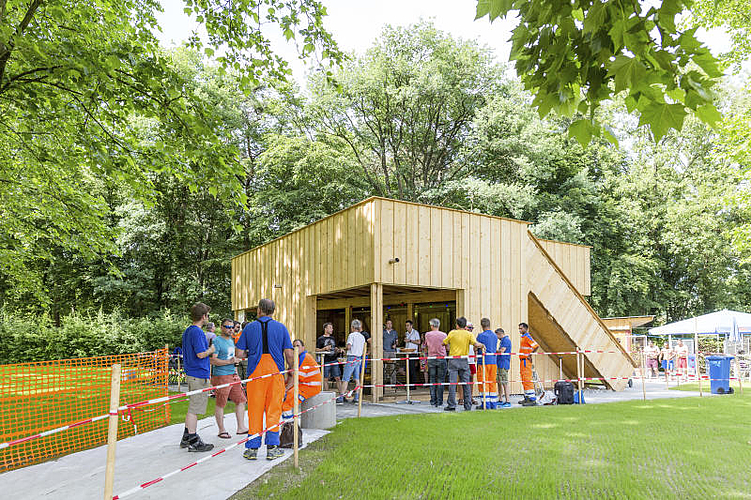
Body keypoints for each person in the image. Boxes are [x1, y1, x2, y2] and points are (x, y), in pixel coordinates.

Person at [235, 299, 293, 461]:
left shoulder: (249, 328)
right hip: (275, 373)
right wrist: (291, 373)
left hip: (255, 373)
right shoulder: (281, 328)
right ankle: (272, 448)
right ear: (273, 311)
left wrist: (250, 353)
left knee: (255, 410)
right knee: (274, 409)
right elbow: (289, 354)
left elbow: (239, 354)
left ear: (259, 310)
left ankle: (252, 449)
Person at [179, 302, 215, 452]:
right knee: (195, 408)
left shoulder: (188, 331)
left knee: (192, 405)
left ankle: (187, 437)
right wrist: (211, 349)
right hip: (198, 374)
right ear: (203, 317)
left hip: (192, 373)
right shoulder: (198, 332)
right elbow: (200, 354)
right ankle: (194, 440)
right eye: (207, 315)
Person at [210, 319, 247, 438]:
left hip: (233, 375)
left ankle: (241, 427)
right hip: (221, 376)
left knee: (241, 400)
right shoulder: (216, 341)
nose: (231, 329)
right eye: (227, 327)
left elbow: (233, 360)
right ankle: (221, 430)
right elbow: (212, 360)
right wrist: (229, 362)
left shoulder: (231, 341)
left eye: (232, 327)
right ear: (221, 327)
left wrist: (236, 373)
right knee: (221, 403)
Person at [442, 317, 484, 411]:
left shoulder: (452, 333)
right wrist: (482, 345)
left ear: (457, 325)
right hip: (464, 360)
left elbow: (443, 343)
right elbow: (475, 344)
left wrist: (449, 347)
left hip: (453, 360)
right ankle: (467, 405)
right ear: (465, 326)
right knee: (466, 383)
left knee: (452, 383)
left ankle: (452, 405)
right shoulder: (468, 334)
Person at [282, 339, 323, 418]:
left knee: (289, 398)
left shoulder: (304, 358)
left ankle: (289, 423)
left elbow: (296, 378)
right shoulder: (299, 358)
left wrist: (286, 389)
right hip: (305, 384)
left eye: (298, 346)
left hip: (311, 387)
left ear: (303, 347)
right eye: (293, 346)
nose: (295, 348)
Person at [338, 319, 367, 404]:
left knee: (345, 378)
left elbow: (349, 346)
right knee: (356, 378)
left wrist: (344, 349)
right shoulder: (362, 337)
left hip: (351, 358)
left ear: (353, 327)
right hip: (359, 358)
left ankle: (341, 397)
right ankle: (357, 396)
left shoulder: (351, 335)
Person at [475, 318, 498, 409]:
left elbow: (475, 347)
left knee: (483, 383)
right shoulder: (495, 336)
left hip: (483, 362)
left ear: (482, 325)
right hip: (493, 362)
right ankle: (493, 404)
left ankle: (485, 404)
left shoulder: (480, 336)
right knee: (492, 382)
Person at [424, 318, 447, 407]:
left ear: (432, 326)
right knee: (440, 380)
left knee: (432, 379)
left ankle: (433, 400)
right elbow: (447, 346)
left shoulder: (427, 334)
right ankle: (440, 401)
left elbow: (426, 346)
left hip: (431, 358)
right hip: (441, 358)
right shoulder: (444, 334)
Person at [518, 322, 540, 406]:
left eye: (521, 328)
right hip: (522, 361)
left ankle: (532, 399)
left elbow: (536, 346)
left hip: (525, 361)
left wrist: (530, 354)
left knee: (527, 379)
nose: (519, 330)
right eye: (519, 328)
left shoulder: (527, 337)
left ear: (525, 329)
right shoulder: (523, 337)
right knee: (524, 379)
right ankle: (527, 397)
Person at [317, 322, 341, 391]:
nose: (332, 329)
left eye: (332, 328)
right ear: (325, 329)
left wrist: (337, 350)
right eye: (330, 327)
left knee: (338, 378)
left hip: (334, 360)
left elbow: (334, 347)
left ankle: (341, 395)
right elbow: (316, 349)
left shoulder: (333, 338)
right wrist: (324, 349)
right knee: (325, 379)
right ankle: (326, 395)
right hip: (325, 361)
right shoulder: (320, 339)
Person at [495, 328, 512, 408]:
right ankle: (500, 399)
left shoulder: (506, 340)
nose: (497, 337)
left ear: (500, 334)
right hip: (499, 363)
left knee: (504, 382)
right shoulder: (502, 341)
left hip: (504, 364)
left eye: (497, 335)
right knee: (499, 382)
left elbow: (502, 351)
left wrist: (493, 351)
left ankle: (507, 401)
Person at [463, 321, 478, 406]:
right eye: (469, 327)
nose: (470, 329)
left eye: (472, 328)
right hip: (463, 360)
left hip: (471, 361)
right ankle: (461, 398)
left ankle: (470, 397)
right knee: (462, 380)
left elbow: (475, 347)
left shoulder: (472, 336)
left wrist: (475, 355)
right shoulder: (462, 336)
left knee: (471, 379)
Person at [382, 319, 399, 390]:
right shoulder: (383, 332)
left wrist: (395, 345)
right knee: (384, 368)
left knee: (393, 368)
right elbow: (380, 341)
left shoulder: (394, 332)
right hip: (385, 351)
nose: (389, 325)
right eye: (388, 323)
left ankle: (393, 383)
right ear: (386, 324)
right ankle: (384, 383)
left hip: (392, 351)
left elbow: (397, 341)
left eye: (390, 323)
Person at [404, 320, 421, 385]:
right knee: (408, 369)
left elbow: (419, 342)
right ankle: (409, 384)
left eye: (408, 325)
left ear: (411, 326)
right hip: (407, 353)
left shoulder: (415, 332)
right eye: (406, 325)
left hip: (413, 353)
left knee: (412, 369)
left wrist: (410, 340)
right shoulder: (406, 333)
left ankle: (413, 385)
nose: (407, 327)